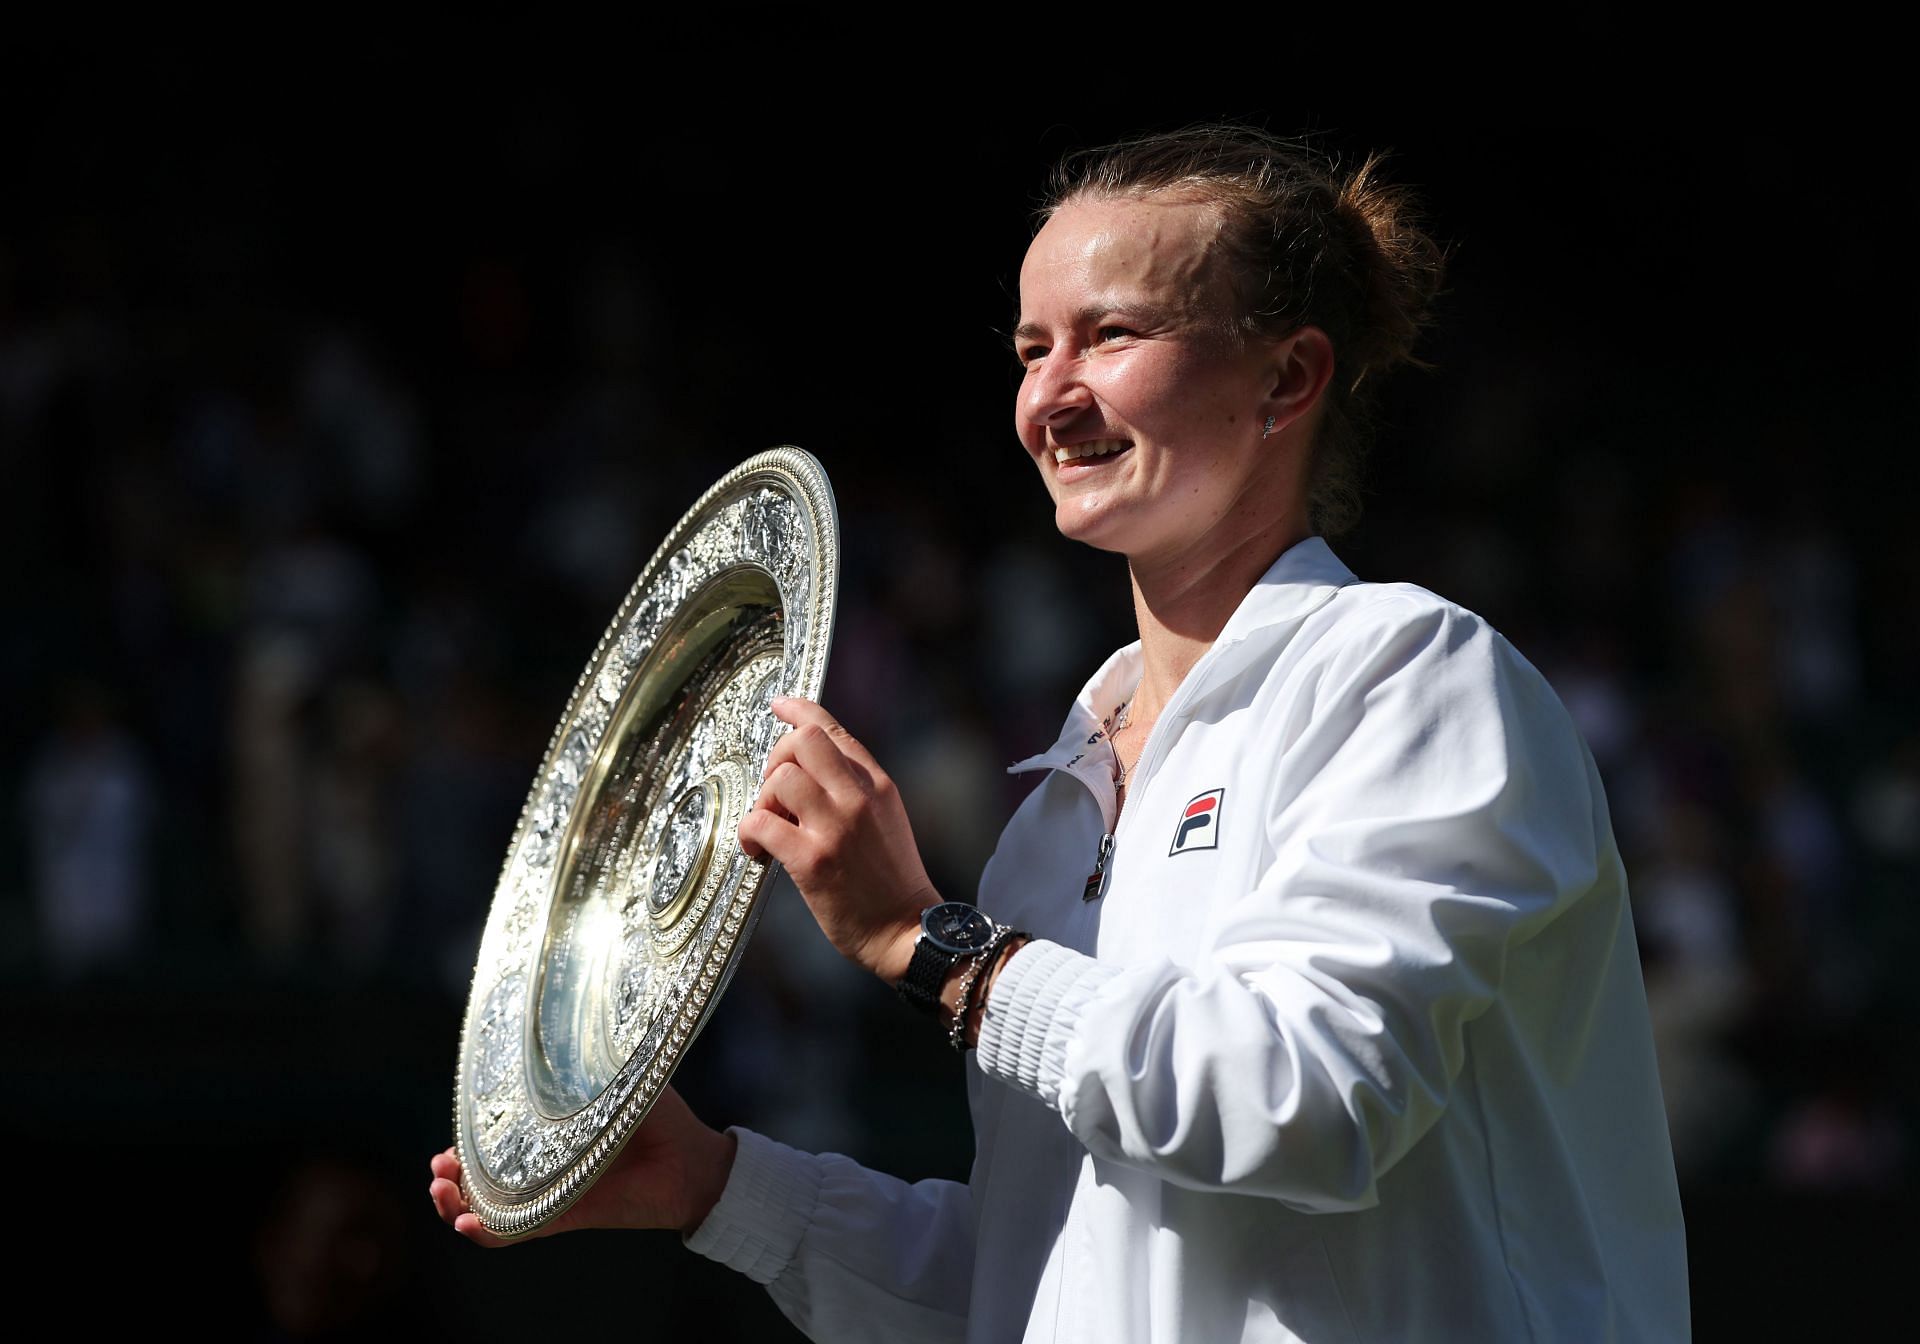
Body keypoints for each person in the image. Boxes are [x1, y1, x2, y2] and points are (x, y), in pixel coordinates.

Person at [432, 124, 1691, 1342]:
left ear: (1288, 378)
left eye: (1113, 335)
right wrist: (718, 1189)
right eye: (1032, 349)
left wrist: (936, 948)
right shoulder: (1056, 811)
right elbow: (1053, 1286)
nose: (1050, 396)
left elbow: (1305, 1107)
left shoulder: (1413, 674)